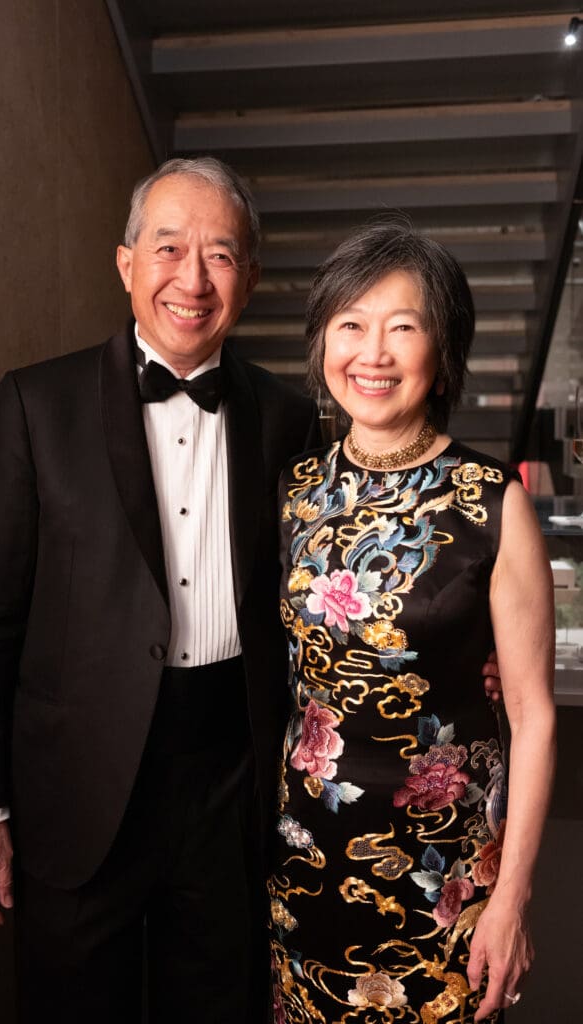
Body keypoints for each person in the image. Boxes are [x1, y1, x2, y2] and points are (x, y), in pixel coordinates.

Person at [0, 157, 321, 1024]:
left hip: (230, 786)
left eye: (220, 255)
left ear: (250, 279)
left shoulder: (289, 419)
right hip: (76, 789)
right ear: (126, 264)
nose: (193, 278)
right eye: (169, 247)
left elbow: (324, 590)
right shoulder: (37, 403)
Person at [269, 222, 556, 1023]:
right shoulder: (292, 495)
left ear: (443, 349)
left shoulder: (493, 501)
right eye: (351, 324)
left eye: (404, 326)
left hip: (448, 876)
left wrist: (512, 899)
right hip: (307, 862)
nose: (374, 352)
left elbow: (533, 716)